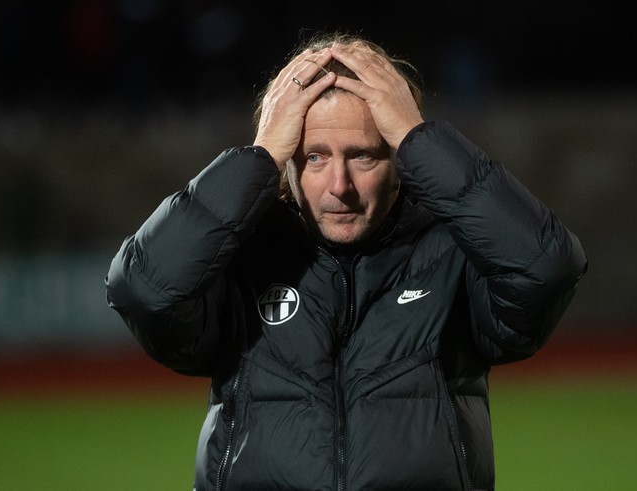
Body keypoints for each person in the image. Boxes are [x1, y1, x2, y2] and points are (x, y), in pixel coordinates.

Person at [106, 32, 587, 491]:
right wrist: (257, 159)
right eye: (314, 156)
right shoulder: (240, 256)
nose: (339, 185)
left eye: (364, 156)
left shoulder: (453, 252)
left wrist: (422, 138)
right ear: (286, 160)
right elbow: (144, 290)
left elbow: (546, 268)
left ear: (402, 160)